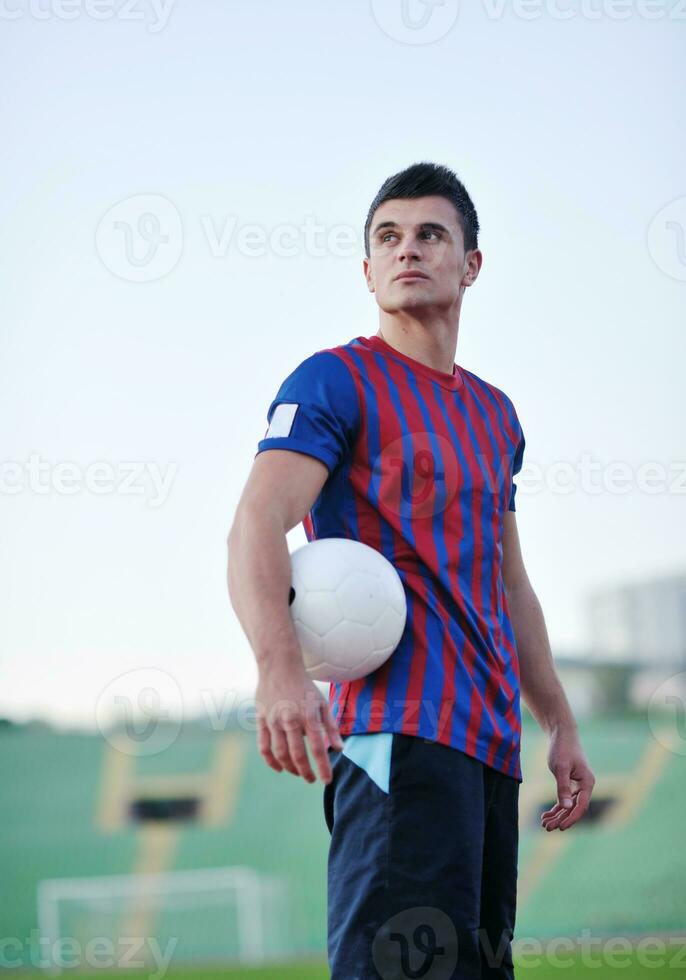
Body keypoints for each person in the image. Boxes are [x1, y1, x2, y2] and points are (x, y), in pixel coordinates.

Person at [227, 162, 595, 979]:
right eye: (387, 237)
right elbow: (257, 520)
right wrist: (279, 672)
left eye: (432, 234)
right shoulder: (336, 379)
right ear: (366, 270)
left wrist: (559, 723)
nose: (408, 250)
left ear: (471, 264)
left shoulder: (495, 415)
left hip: (491, 751)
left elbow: (509, 584)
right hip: (399, 737)